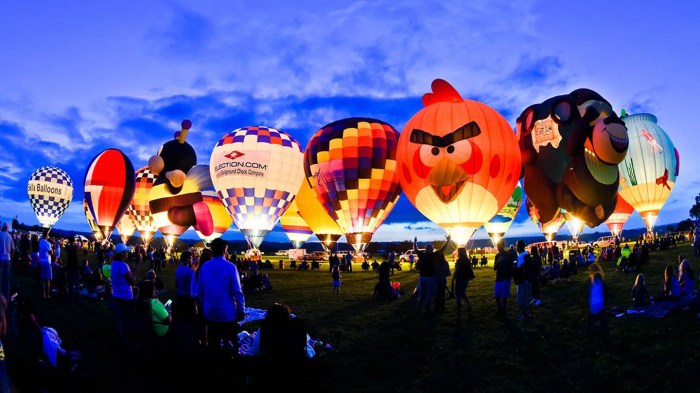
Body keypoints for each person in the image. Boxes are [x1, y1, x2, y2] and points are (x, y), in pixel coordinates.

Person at [196, 238, 245, 351]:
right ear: (224, 250)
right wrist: (241, 309)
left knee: (214, 344)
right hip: (227, 314)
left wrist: (203, 308)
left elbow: (200, 291)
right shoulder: (230, 267)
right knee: (230, 343)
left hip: (210, 313)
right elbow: (237, 291)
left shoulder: (205, 267)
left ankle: (215, 363)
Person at [248, 303, 311, 389]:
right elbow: (303, 346)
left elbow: (253, 352)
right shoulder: (297, 328)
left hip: (273, 369)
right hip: (297, 368)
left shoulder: (266, 329)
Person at [414, 235, 451, 315]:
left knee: (422, 295)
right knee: (429, 295)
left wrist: (415, 242)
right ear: (432, 248)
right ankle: (427, 311)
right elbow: (443, 249)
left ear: (426, 249)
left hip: (422, 277)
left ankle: (419, 310)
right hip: (431, 278)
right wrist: (448, 240)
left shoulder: (422, 255)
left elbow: (415, 249)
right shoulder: (434, 255)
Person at [109, 243, 136, 345]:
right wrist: (137, 266)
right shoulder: (124, 265)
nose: (127, 253)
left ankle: (119, 338)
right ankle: (127, 341)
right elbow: (132, 281)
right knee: (128, 319)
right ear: (121, 253)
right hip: (126, 296)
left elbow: (124, 277)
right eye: (126, 251)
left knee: (120, 318)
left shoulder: (114, 263)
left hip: (116, 295)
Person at [514, 240, 534, 321]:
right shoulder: (526, 255)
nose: (516, 248)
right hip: (527, 280)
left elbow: (521, 269)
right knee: (525, 297)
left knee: (522, 299)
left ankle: (524, 315)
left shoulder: (521, 256)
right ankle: (526, 313)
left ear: (519, 247)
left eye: (517, 246)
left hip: (523, 281)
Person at [174, 251, 196, 322]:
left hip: (179, 296)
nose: (192, 260)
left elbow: (176, 284)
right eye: (191, 258)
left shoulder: (178, 269)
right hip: (188, 298)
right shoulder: (190, 272)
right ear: (187, 259)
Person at [493, 240, 513, 317]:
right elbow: (495, 268)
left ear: (503, 246)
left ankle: (504, 311)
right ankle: (499, 310)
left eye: (499, 246)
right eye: (497, 246)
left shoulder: (508, 255)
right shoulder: (497, 256)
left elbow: (512, 265)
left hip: (506, 278)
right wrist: (498, 262)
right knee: (497, 296)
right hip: (498, 278)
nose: (498, 248)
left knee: (504, 297)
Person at [451, 247, 474, 313]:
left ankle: (459, 309)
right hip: (465, 278)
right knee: (463, 292)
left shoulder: (460, 260)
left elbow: (457, 270)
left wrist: (453, 278)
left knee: (458, 294)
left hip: (460, 278)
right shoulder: (467, 259)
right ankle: (469, 305)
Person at [588, 265, 608, 336]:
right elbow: (606, 294)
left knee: (592, 319)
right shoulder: (603, 285)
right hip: (600, 306)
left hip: (593, 306)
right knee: (602, 320)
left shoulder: (592, 285)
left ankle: (591, 331)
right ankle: (603, 333)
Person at [38, 230, 53, 299]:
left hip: (41, 261)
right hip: (47, 261)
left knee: (43, 279)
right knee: (48, 279)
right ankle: (48, 294)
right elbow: (51, 253)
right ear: (47, 235)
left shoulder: (40, 242)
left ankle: (44, 294)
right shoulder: (48, 243)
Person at [0, 223, 13, 300]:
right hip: (7, 259)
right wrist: (12, 258)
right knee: (7, 279)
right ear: (7, 228)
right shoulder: (10, 237)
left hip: (0, 258)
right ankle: (6, 296)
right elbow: (12, 249)